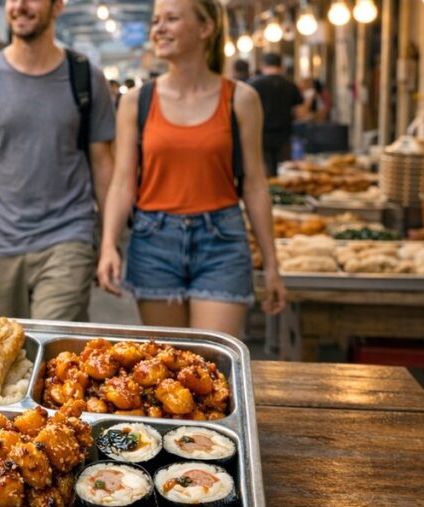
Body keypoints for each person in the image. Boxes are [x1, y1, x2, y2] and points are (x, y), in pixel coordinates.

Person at [96, 0, 285, 338]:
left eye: (171, 19)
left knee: (211, 365)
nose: (159, 29)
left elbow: (255, 184)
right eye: (156, 21)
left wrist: (271, 263)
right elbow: (123, 182)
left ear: (205, 28)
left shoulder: (240, 99)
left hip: (221, 241)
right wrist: (108, 244)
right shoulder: (136, 102)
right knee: (168, 367)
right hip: (154, 240)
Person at [0, 0, 116, 322]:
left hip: (67, 235)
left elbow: (103, 164)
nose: (20, 6)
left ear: (58, 7)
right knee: (8, 355)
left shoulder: (86, 78)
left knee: (53, 345)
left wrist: (108, 241)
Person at [249, 53, 303, 176]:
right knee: (285, 173)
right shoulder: (290, 85)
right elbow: (300, 113)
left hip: (261, 136)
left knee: (264, 174)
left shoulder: (254, 85)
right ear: (281, 66)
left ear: (263, 66)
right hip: (284, 135)